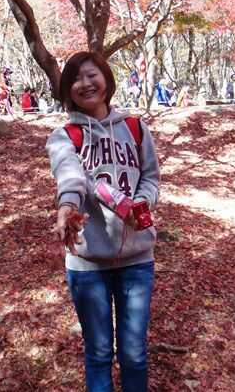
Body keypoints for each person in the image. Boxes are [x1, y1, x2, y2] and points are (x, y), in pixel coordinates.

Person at [46, 51, 160, 391]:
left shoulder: (135, 128)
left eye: (91, 75)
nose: (85, 84)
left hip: (137, 259)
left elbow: (150, 177)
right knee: (97, 353)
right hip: (87, 261)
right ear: (68, 89)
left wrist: (141, 203)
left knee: (134, 355)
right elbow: (69, 174)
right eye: (76, 79)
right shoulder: (65, 136)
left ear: (106, 79)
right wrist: (67, 206)